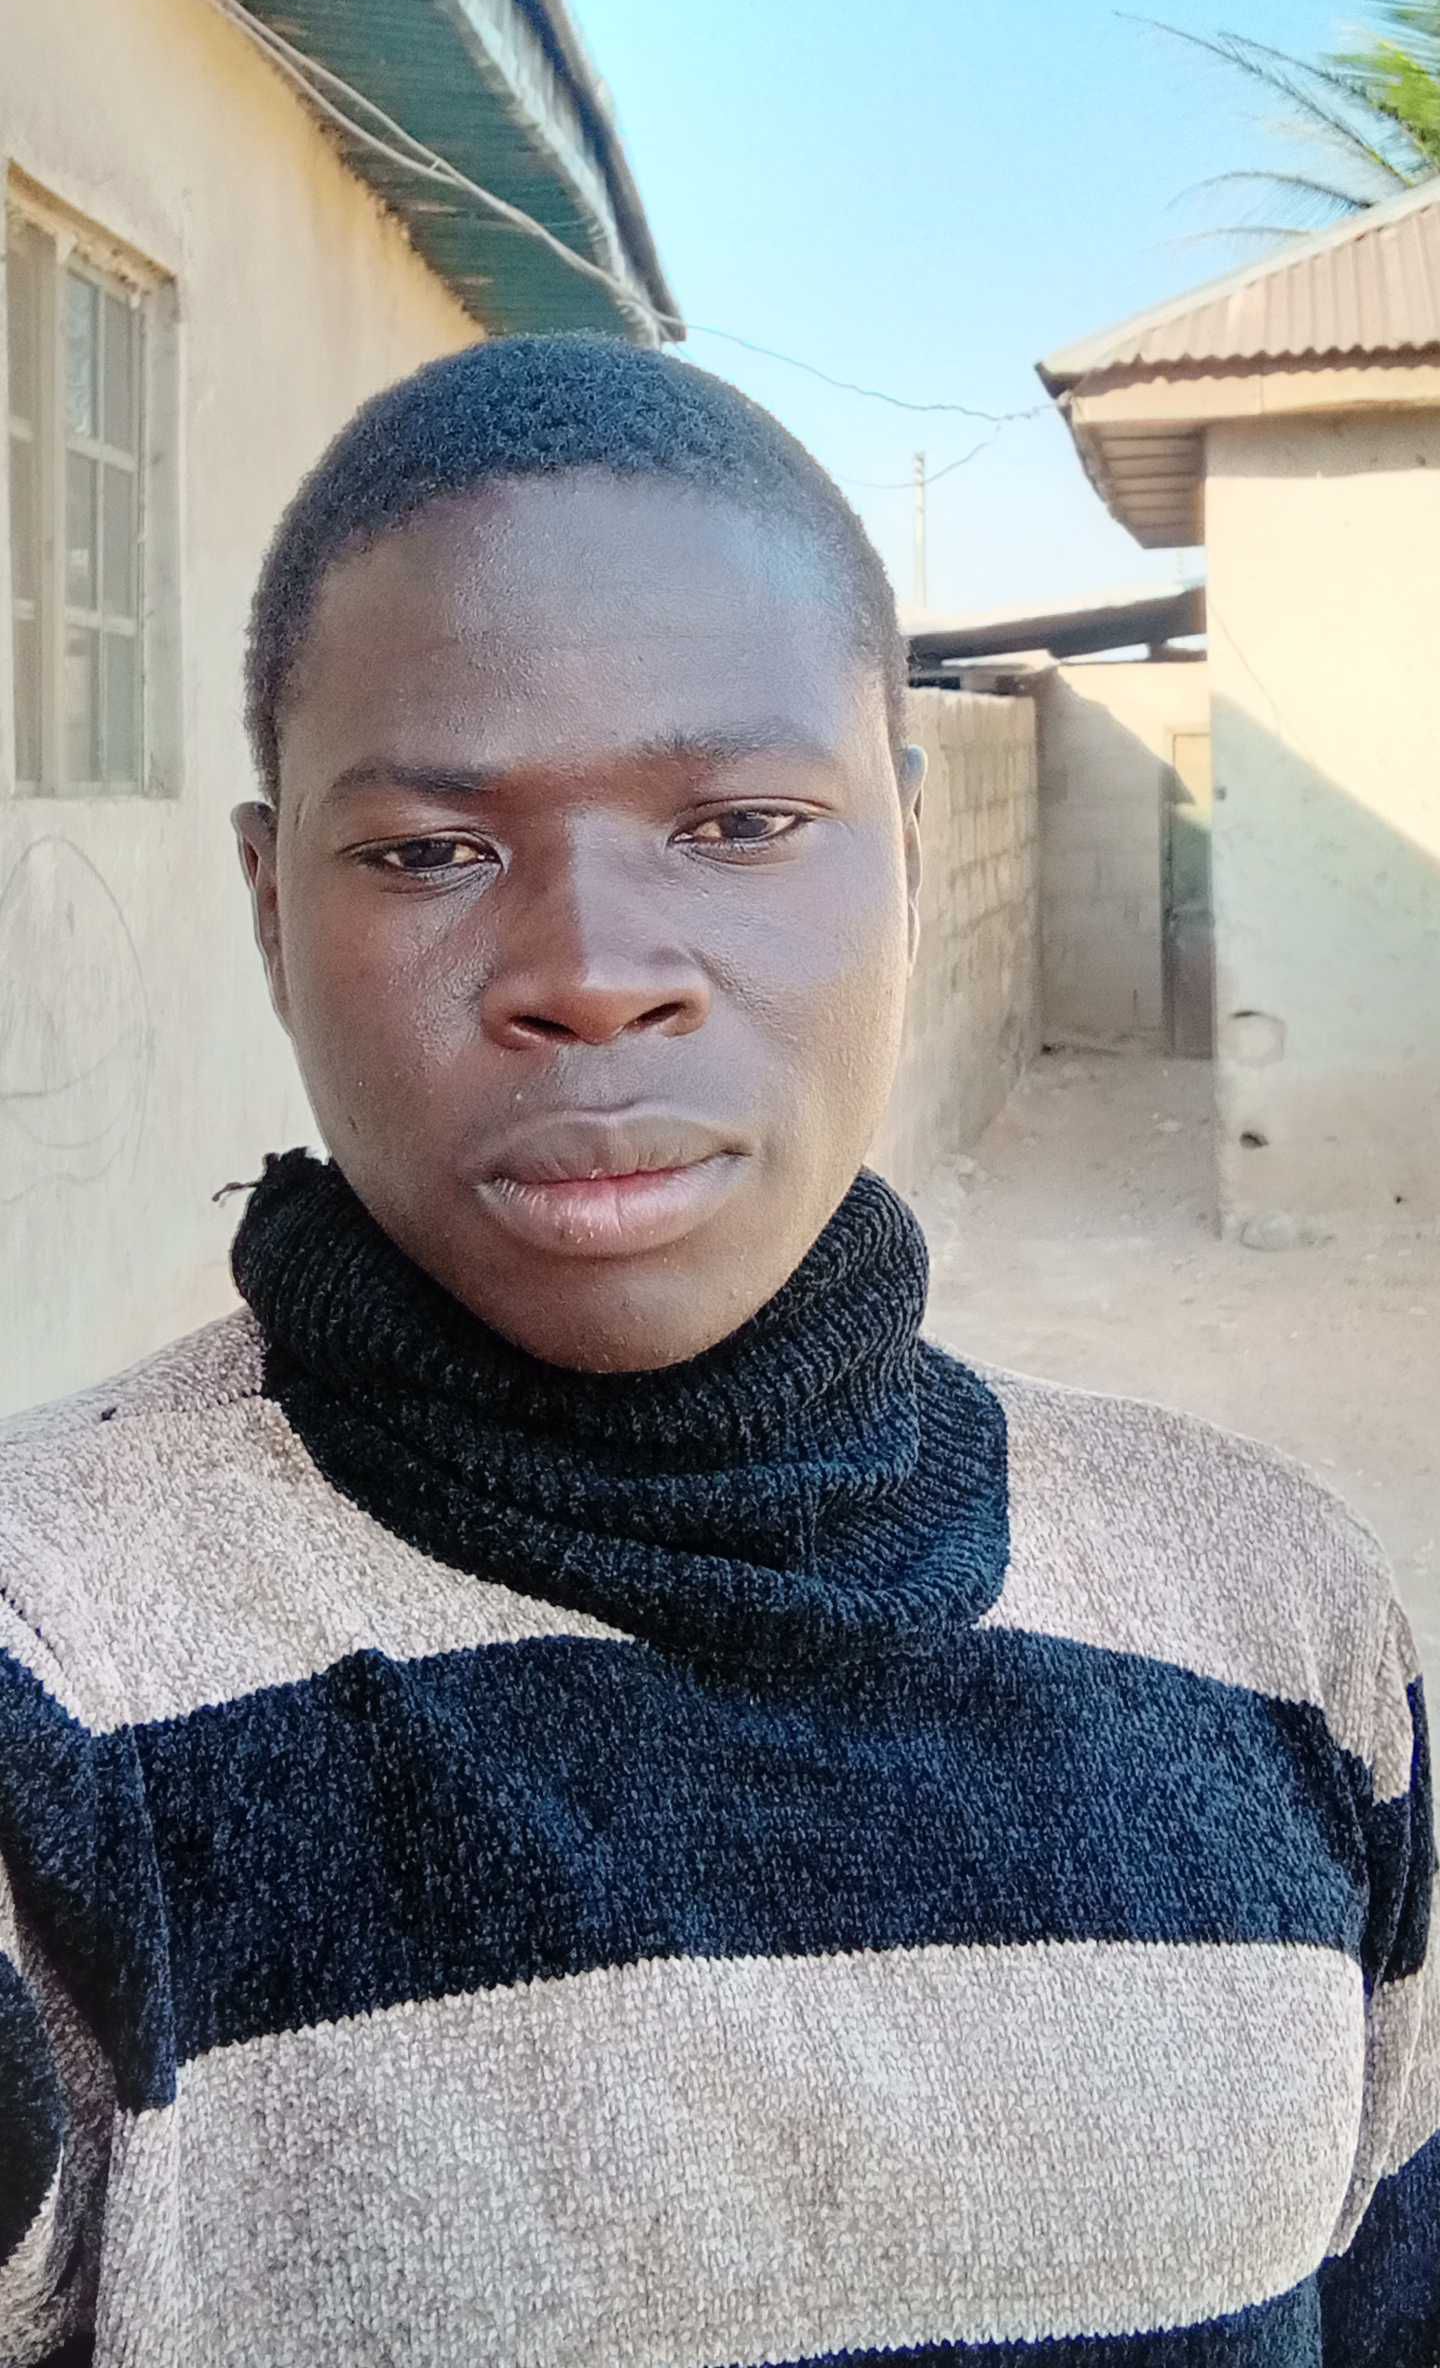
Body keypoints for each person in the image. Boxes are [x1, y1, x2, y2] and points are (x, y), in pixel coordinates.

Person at [0, 336, 1435, 2368]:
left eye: (743, 822)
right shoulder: (57, 1684)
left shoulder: (1276, 1622)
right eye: (427, 850)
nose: (594, 976)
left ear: (911, 854)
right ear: (269, 906)